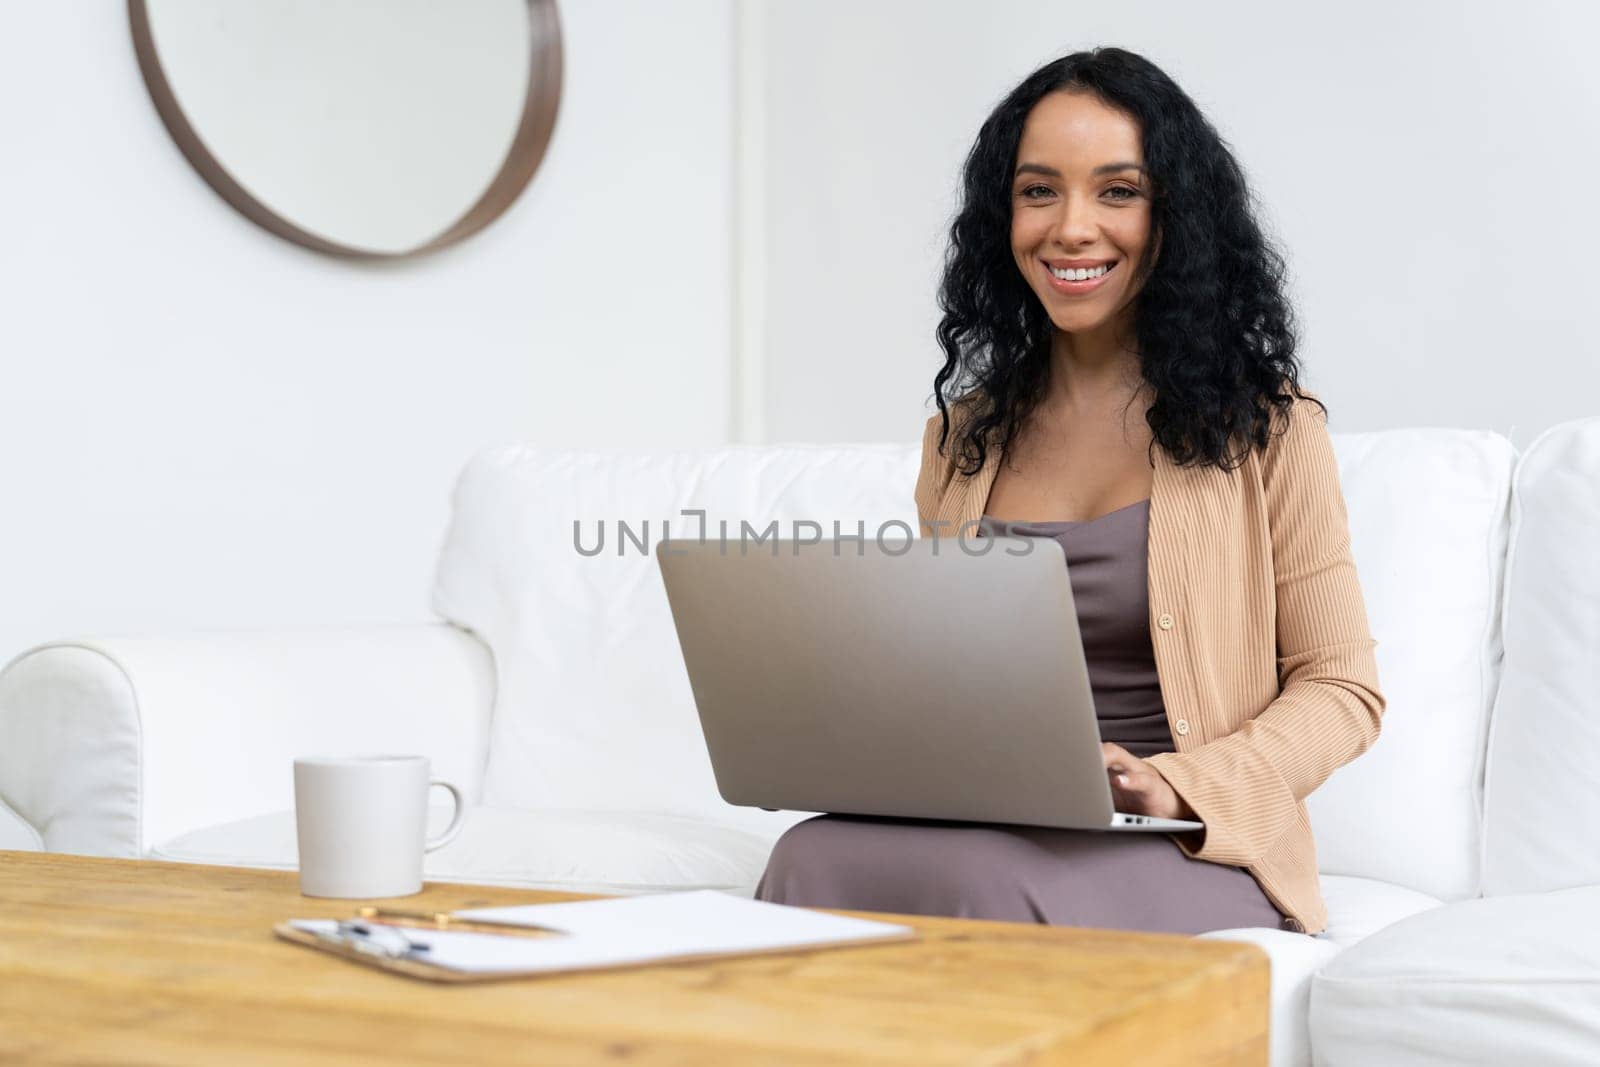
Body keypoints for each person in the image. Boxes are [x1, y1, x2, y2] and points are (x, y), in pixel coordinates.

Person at [753, 47, 1385, 937]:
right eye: (1039, 190)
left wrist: (1180, 780)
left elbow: (1343, 688)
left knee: (987, 884)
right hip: (1000, 814)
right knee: (810, 853)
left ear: (1174, 217)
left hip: (1189, 837)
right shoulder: (962, 439)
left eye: (1117, 191)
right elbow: (950, 679)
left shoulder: (1269, 429)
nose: (1071, 228)